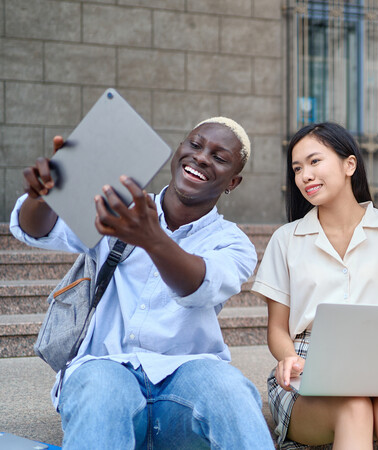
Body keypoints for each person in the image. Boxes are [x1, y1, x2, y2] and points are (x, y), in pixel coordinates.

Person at [10, 117, 274, 448]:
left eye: (219, 157)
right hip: (105, 368)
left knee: (232, 389)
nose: (202, 157)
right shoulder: (119, 208)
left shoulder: (234, 243)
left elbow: (198, 286)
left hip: (186, 378)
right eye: (194, 145)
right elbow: (37, 230)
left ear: (232, 182)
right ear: (179, 150)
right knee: (100, 386)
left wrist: (152, 239)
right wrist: (44, 197)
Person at [252, 122, 378, 449]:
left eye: (314, 161)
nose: (305, 175)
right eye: (297, 168)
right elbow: (277, 328)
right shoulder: (286, 239)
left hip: (376, 358)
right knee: (355, 405)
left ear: (350, 164)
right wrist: (290, 360)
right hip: (305, 364)